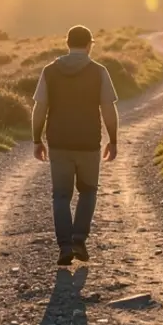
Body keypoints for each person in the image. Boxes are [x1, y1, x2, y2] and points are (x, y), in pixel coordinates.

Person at [32, 25, 119, 265]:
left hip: (59, 142)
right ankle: (79, 239)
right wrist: (113, 140)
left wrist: (37, 139)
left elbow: (39, 109)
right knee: (88, 191)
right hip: (89, 142)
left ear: (67, 43)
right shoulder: (99, 72)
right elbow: (109, 110)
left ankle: (65, 247)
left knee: (60, 195)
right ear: (90, 44)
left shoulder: (49, 71)